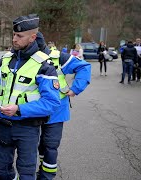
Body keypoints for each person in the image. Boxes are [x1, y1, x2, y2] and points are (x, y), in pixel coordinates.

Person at [0, 14, 61, 180]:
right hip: (3, 126)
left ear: (33, 37)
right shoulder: (6, 59)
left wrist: (19, 109)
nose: (14, 39)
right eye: (14, 35)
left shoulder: (44, 65)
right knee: (1, 169)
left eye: (19, 36)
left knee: (26, 171)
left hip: (27, 128)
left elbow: (51, 103)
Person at [35, 32, 91, 180]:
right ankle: (42, 167)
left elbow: (84, 67)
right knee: (40, 145)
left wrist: (75, 89)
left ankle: (46, 175)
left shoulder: (58, 57)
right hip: (33, 109)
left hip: (56, 110)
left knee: (50, 145)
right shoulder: (23, 57)